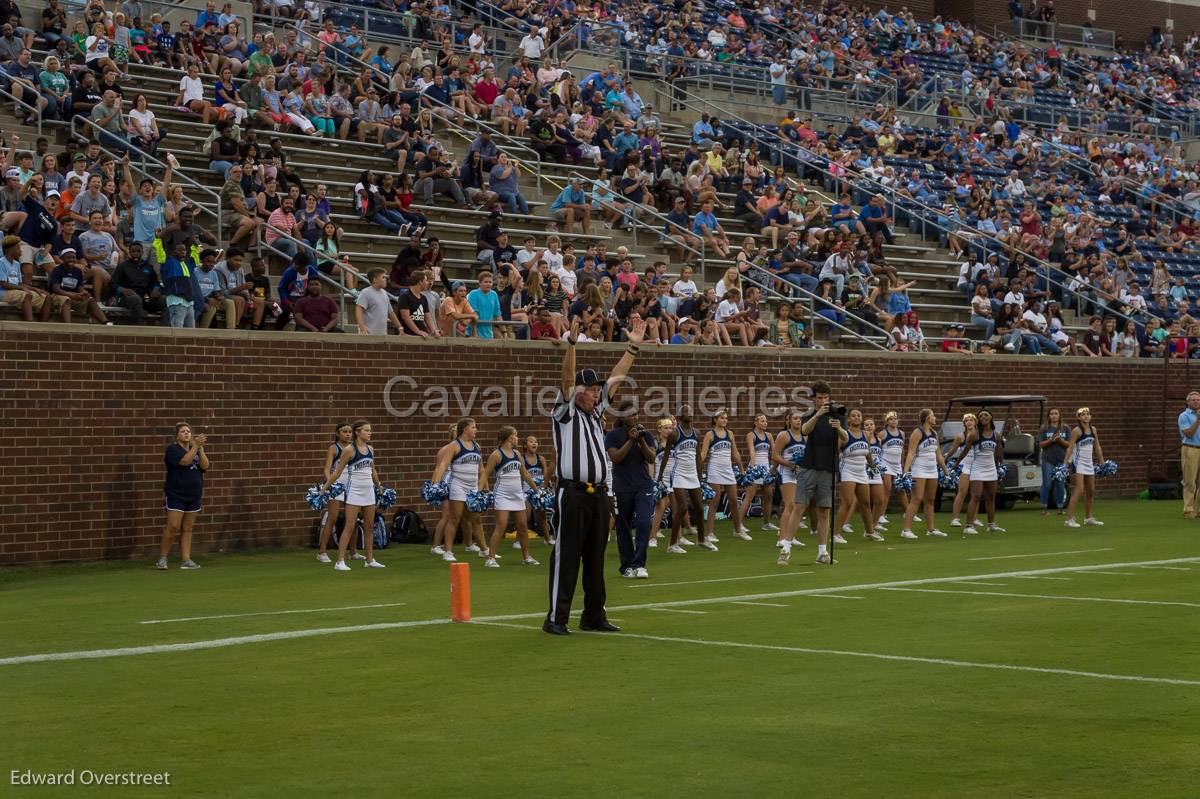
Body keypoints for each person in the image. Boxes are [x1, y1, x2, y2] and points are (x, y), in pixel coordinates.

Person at [543, 317, 644, 636]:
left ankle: (593, 615)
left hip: (598, 493)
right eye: (592, 388)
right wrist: (571, 345)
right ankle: (556, 618)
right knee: (567, 555)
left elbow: (617, 378)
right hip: (572, 492)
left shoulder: (596, 413)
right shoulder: (566, 411)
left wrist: (633, 347)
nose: (599, 392)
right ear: (579, 392)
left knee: (596, 556)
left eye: (598, 389)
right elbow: (567, 378)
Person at [321, 419, 386, 570]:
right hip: (354, 490)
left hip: (368, 490)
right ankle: (340, 561)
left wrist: (379, 486)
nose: (370, 433)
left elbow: (373, 470)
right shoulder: (349, 450)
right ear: (358, 432)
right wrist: (325, 488)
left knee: (369, 526)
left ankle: (369, 560)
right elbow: (337, 472)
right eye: (367, 430)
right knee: (350, 525)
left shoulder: (371, 449)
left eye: (370, 430)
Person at [794, 381, 846, 564]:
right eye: (820, 398)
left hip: (829, 467)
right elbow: (804, 431)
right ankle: (785, 545)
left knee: (825, 509)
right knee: (800, 506)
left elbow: (845, 437)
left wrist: (838, 427)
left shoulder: (837, 414)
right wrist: (817, 415)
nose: (823, 401)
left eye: (826, 398)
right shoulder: (809, 414)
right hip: (810, 465)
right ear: (813, 399)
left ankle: (823, 552)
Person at [605, 398, 657, 579]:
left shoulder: (646, 434)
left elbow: (651, 458)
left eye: (636, 414)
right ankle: (627, 566)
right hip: (622, 487)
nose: (634, 417)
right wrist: (630, 441)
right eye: (630, 415)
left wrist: (641, 441)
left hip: (643, 485)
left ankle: (639, 564)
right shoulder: (613, 435)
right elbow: (615, 458)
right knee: (623, 526)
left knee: (644, 522)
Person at [429, 417, 489, 562]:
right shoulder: (454, 446)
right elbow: (443, 465)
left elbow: (481, 469)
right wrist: (435, 484)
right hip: (458, 486)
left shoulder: (477, 446)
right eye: (473, 427)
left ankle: (484, 550)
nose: (476, 430)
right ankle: (448, 551)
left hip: (473, 487)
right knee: (454, 518)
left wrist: (485, 486)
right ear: (465, 429)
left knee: (476, 518)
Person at [482, 425, 541, 568]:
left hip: (517, 494)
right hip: (502, 494)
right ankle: (490, 558)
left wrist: (537, 489)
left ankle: (526, 557)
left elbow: (525, 474)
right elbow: (485, 473)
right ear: (509, 438)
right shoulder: (497, 454)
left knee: (522, 526)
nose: (517, 438)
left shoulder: (517, 454)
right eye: (515, 435)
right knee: (501, 525)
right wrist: (479, 491)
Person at [658, 404, 712, 553]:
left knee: (700, 508)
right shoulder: (675, 434)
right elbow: (666, 455)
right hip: (678, 474)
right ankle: (672, 544)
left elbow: (697, 457)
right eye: (686, 412)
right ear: (680, 416)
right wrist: (660, 475)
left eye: (690, 411)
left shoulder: (697, 432)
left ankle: (701, 540)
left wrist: (701, 475)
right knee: (681, 508)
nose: (689, 414)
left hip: (692, 474)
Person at [157, 422, 208, 570]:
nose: (186, 433)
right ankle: (162, 558)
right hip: (176, 494)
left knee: (188, 528)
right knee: (173, 527)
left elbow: (205, 466)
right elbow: (185, 461)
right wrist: (196, 447)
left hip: (193, 495)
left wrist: (200, 448)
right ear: (177, 435)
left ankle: (186, 560)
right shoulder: (172, 449)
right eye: (183, 431)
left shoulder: (196, 449)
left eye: (188, 431)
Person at [315, 423, 362, 564]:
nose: (348, 434)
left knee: (353, 520)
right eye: (344, 432)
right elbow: (327, 468)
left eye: (349, 432)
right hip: (336, 486)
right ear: (337, 434)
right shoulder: (333, 448)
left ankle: (353, 552)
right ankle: (322, 552)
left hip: (351, 486)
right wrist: (331, 484)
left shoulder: (353, 448)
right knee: (332, 518)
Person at [832, 408, 882, 541]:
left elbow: (868, 452)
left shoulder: (866, 434)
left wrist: (872, 466)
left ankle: (869, 532)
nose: (856, 417)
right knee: (847, 502)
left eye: (859, 415)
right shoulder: (844, 434)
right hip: (848, 470)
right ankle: (836, 534)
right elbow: (835, 453)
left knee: (865, 503)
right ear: (848, 419)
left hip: (862, 471)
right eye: (853, 416)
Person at [900, 408, 948, 540]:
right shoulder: (917, 432)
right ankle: (906, 529)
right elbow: (911, 453)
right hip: (919, 469)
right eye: (933, 415)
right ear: (927, 418)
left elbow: (938, 454)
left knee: (930, 500)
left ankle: (931, 529)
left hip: (932, 470)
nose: (935, 418)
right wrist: (906, 471)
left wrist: (946, 471)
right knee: (916, 499)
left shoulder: (934, 433)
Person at [701, 409, 748, 542]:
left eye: (726, 418)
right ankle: (710, 533)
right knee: (714, 501)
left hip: (728, 469)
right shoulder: (710, 434)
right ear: (715, 419)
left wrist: (742, 469)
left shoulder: (730, 434)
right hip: (715, 469)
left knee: (733, 499)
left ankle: (738, 530)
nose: (725, 420)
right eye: (722, 418)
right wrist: (697, 467)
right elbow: (703, 454)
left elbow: (736, 453)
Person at [773, 408, 808, 562]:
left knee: (798, 505)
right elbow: (774, 456)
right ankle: (781, 538)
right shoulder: (784, 435)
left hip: (799, 473)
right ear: (788, 420)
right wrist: (790, 464)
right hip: (785, 472)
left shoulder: (805, 436)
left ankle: (790, 536)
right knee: (790, 504)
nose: (798, 421)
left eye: (800, 418)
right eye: (795, 418)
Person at [962, 410, 1004, 535]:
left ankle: (991, 525)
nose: (983, 417)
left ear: (991, 417)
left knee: (991, 497)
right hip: (977, 468)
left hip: (991, 469)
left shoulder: (996, 435)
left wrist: (997, 468)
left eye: (985, 414)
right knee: (976, 496)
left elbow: (997, 453)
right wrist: (955, 464)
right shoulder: (975, 435)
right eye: (980, 416)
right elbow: (965, 451)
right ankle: (968, 525)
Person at [1063, 407, 1104, 528]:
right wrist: (1065, 463)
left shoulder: (1093, 430)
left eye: (1088, 414)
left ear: (1091, 417)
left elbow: (1097, 446)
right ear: (1078, 417)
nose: (1086, 416)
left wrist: (1102, 462)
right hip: (1078, 462)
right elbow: (1070, 447)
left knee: (1091, 490)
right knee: (1079, 490)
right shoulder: (1076, 431)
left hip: (1089, 463)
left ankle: (1088, 517)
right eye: (1083, 414)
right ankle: (1069, 519)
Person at [738, 413, 776, 534]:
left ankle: (766, 523)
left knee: (769, 496)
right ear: (755, 422)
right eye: (762, 421)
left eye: (766, 421)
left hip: (766, 470)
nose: (765, 423)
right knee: (749, 496)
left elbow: (774, 452)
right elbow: (751, 451)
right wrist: (754, 467)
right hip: (755, 468)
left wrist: (773, 467)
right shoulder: (751, 435)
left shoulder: (769, 435)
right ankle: (738, 525)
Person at [522, 435, 554, 545]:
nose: (534, 443)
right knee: (525, 515)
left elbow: (546, 475)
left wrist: (547, 488)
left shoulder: (541, 459)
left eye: (536, 441)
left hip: (538, 491)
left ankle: (547, 539)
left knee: (542, 515)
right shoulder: (522, 459)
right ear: (525, 445)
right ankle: (518, 540)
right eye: (531, 441)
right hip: (525, 491)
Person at [1039, 408, 1071, 516]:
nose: (1053, 415)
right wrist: (1051, 440)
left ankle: (1060, 508)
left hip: (1061, 461)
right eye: (1051, 414)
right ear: (1048, 416)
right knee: (1047, 484)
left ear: (1059, 415)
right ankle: (1044, 508)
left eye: (1056, 413)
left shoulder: (1065, 428)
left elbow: (1069, 445)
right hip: (1048, 460)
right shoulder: (1044, 428)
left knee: (1060, 484)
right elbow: (1041, 444)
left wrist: (1059, 440)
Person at [355, 267, 398, 335]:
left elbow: (390, 312)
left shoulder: (384, 293)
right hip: (368, 334)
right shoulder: (366, 292)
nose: (385, 279)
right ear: (375, 279)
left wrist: (400, 327)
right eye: (383, 277)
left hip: (382, 334)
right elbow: (358, 310)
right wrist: (362, 328)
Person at [1179, 392, 1200, 519]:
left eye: (1198, 400)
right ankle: (1188, 510)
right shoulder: (1184, 416)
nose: (1197, 402)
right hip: (1190, 449)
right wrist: (1198, 420)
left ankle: (1199, 510)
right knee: (1190, 481)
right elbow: (1189, 434)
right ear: (1188, 402)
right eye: (1194, 400)